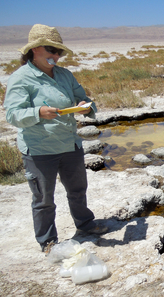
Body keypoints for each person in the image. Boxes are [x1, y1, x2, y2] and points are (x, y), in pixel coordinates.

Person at [4, 24, 108, 253]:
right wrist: (37, 113)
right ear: (35, 49)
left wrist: (85, 107)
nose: (56, 56)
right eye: (52, 50)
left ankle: (86, 224)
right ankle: (47, 241)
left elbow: (86, 101)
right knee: (43, 199)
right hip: (39, 149)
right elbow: (12, 114)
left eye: (59, 51)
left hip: (70, 145)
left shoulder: (64, 75)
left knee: (78, 190)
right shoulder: (21, 79)